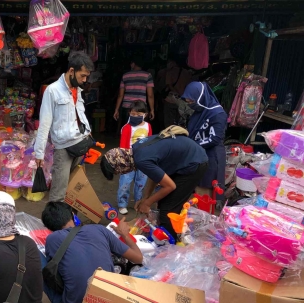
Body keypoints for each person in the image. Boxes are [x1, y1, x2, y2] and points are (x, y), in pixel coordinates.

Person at [100, 131, 208, 239]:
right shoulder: (135, 150)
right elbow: (155, 175)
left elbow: (170, 186)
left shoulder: (140, 160)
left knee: (167, 211)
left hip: (194, 163)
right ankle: (168, 235)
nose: (122, 173)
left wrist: (147, 203)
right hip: (186, 158)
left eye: (119, 172)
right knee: (162, 202)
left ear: (120, 165)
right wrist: (145, 198)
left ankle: (170, 247)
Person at [41, 202, 143, 303]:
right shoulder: (99, 229)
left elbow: (53, 272)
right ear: (73, 215)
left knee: (36, 254)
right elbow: (138, 258)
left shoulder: (51, 239)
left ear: (48, 228)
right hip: (108, 298)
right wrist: (125, 235)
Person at [34, 52, 95, 202]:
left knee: (76, 189)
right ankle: (56, 224)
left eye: (86, 76)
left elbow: (79, 114)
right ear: (72, 71)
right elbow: (45, 123)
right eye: (82, 76)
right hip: (63, 148)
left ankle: (70, 220)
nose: (84, 80)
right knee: (58, 193)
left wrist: (88, 133)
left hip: (80, 144)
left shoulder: (77, 90)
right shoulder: (52, 91)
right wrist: (39, 153)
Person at [182, 81, 227, 200]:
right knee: (196, 189)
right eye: (188, 102)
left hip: (211, 156)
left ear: (201, 97)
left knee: (204, 190)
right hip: (198, 153)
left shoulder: (217, 113)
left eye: (192, 101)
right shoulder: (200, 111)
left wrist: (193, 145)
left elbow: (215, 138)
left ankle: (203, 215)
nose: (190, 104)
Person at [117, 102, 152, 214]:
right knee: (125, 183)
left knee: (141, 183)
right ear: (129, 114)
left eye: (138, 114)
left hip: (143, 159)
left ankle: (139, 202)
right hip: (128, 159)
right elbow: (123, 146)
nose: (135, 116)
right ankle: (122, 204)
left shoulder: (148, 126)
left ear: (145, 114)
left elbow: (150, 141)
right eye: (133, 114)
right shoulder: (126, 128)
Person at [113, 56, 155, 131]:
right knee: (141, 130)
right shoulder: (147, 75)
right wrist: (152, 110)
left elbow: (120, 95)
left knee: (129, 130)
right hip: (141, 107)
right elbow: (150, 95)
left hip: (127, 107)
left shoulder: (125, 75)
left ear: (133, 64)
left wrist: (116, 109)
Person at [157, 58, 193, 128]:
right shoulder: (186, 72)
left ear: (173, 62)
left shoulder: (170, 72)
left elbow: (169, 85)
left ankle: (169, 135)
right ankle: (178, 135)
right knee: (180, 121)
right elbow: (189, 85)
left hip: (171, 100)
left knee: (169, 121)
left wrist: (176, 92)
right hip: (182, 100)